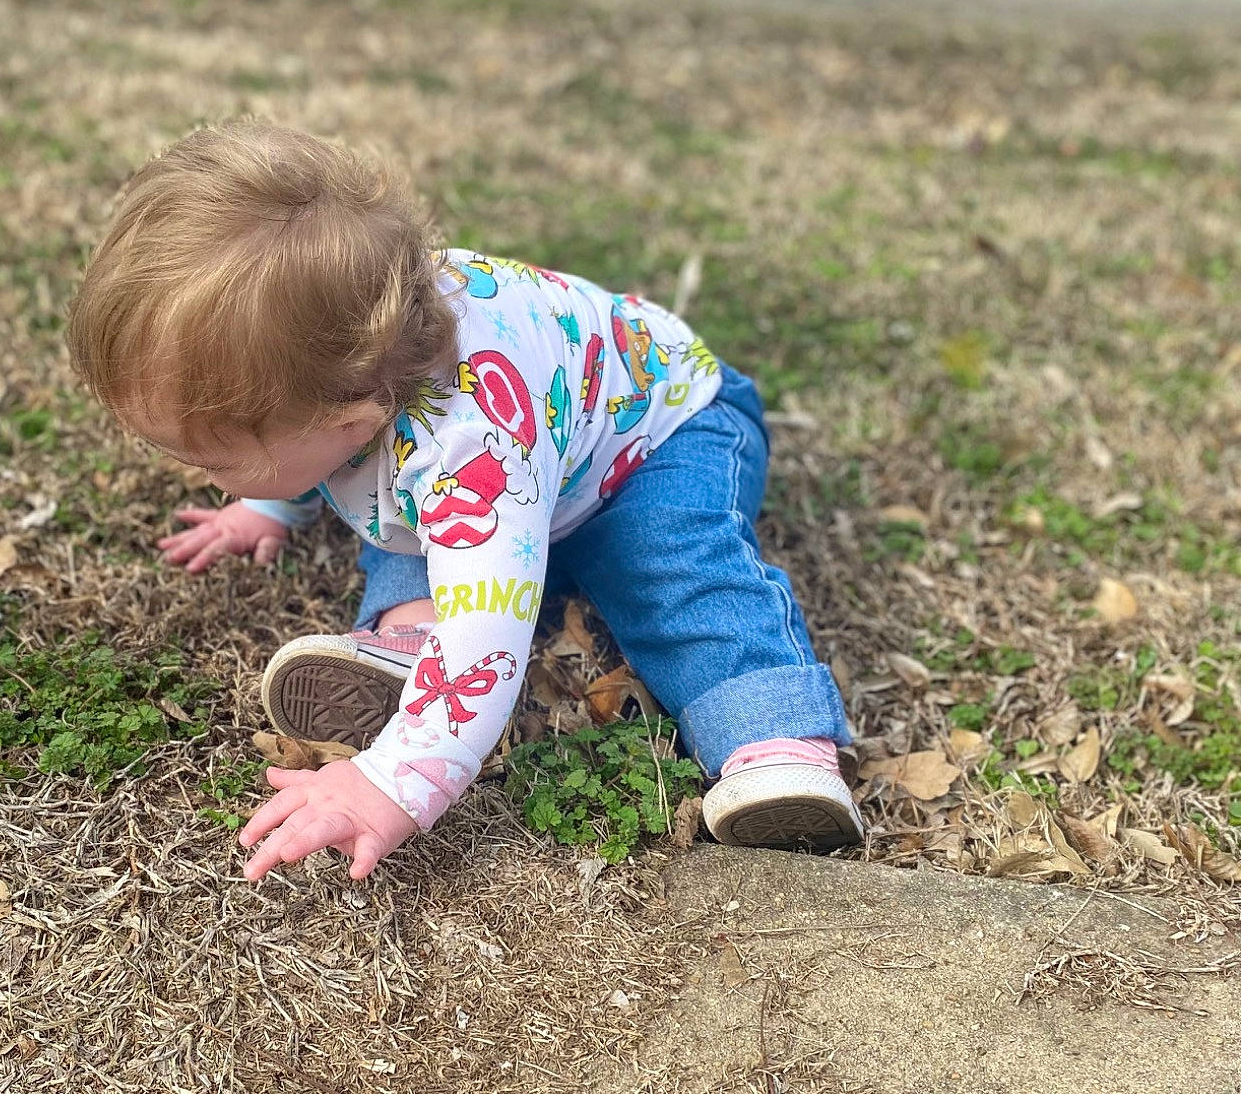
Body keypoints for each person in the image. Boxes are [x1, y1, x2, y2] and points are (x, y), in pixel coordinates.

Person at [68, 123, 861, 882]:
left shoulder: (464, 452)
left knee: (666, 564)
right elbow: (306, 442)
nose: (185, 469)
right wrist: (268, 503)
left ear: (346, 419)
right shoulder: (346, 339)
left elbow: (490, 639)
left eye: (209, 459)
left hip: (657, 440)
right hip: (508, 469)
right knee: (400, 529)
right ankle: (412, 643)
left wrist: (391, 783)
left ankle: (772, 737)